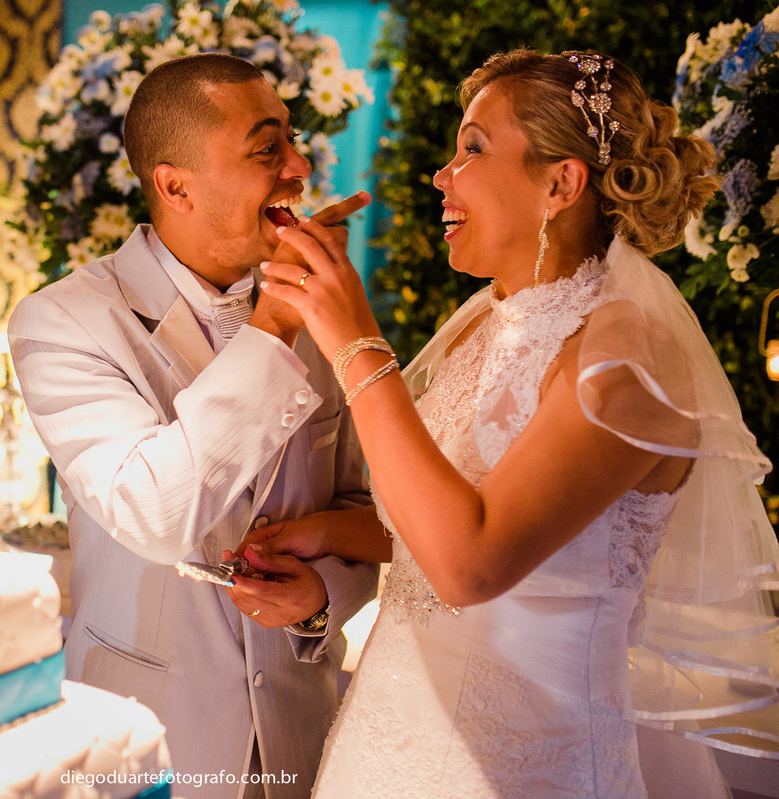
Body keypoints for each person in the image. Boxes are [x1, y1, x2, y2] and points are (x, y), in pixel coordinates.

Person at [239, 49, 779, 797]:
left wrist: (353, 338)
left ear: (561, 182)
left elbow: (473, 563)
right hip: (384, 747)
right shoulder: (480, 326)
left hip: (526, 769)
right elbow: (452, 514)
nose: (442, 174)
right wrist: (333, 532)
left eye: (473, 148)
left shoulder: (625, 359)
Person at [8, 53, 380, 799]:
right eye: (266, 147)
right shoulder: (62, 321)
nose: (300, 166)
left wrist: (320, 600)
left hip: (304, 742)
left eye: (292, 141)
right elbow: (154, 513)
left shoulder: (321, 309)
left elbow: (364, 509)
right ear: (173, 185)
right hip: (147, 743)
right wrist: (276, 319)